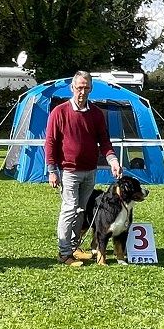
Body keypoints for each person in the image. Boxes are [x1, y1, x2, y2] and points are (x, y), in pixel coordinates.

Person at [44, 71, 122, 266]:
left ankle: (74, 247)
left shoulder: (96, 113)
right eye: (79, 87)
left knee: (81, 210)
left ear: (91, 89)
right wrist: (52, 170)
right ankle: (64, 253)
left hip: (90, 170)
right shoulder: (59, 112)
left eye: (86, 87)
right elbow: (50, 143)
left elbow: (104, 141)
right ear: (72, 88)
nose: (82, 91)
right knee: (69, 209)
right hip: (68, 171)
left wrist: (113, 160)